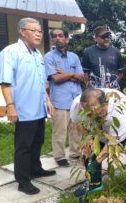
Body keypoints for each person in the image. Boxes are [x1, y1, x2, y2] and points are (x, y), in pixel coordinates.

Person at [0, 17, 56, 195]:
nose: (38, 34)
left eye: (40, 31)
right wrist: (10, 106)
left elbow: (41, 82)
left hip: (39, 108)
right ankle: (23, 180)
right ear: (22, 31)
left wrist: (48, 100)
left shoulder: (37, 54)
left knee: (38, 141)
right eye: (34, 30)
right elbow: (5, 83)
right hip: (23, 108)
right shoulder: (10, 52)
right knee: (24, 145)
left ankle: (35, 168)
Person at [70, 88, 126, 199]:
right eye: (90, 115)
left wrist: (95, 164)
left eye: (100, 113)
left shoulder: (122, 112)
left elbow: (111, 144)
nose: (94, 117)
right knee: (89, 150)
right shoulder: (77, 106)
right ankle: (93, 183)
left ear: (106, 102)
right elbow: (78, 124)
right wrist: (88, 141)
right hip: (97, 130)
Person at [44, 28, 84, 167]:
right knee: (60, 131)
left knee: (76, 129)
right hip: (60, 100)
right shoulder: (49, 57)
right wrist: (72, 74)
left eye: (61, 36)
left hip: (76, 99)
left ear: (66, 38)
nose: (58, 38)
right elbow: (55, 78)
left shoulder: (74, 57)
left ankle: (75, 153)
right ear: (52, 40)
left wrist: (65, 74)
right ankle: (59, 156)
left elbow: (82, 77)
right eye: (55, 36)